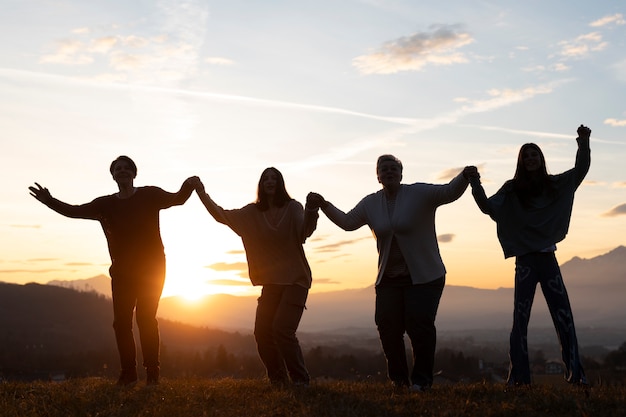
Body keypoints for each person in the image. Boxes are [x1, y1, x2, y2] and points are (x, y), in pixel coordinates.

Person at [307, 155, 475, 392]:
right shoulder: (371, 203)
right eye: (383, 169)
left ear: (401, 173)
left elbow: (449, 192)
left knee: (420, 326)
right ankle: (399, 382)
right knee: (387, 327)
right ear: (377, 176)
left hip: (425, 276)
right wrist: (324, 205)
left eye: (393, 168)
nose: (388, 172)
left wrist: (464, 176)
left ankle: (421, 382)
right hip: (388, 278)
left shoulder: (419, 194)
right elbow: (347, 222)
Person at [28, 155, 197, 386]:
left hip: (152, 269)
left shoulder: (150, 195)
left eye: (127, 168)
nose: (123, 171)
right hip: (122, 271)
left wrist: (189, 185)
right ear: (113, 175)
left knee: (146, 319)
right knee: (121, 323)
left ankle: (152, 373)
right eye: (118, 168)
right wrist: (49, 200)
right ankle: (129, 373)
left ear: (134, 173)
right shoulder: (105, 205)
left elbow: (178, 199)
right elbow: (74, 211)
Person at [467, 125, 591, 386]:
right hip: (525, 261)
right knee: (520, 320)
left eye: (535, 154)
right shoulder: (512, 190)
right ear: (521, 161)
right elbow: (488, 207)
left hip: (548, 260)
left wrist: (583, 142)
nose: (531, 158)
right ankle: (519, 378)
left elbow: (580, 171)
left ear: (541, 159)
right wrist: (475, 183)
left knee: (564, 317)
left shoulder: (554, 185)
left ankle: (576, 375)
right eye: (527, 155)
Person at [194, 167, 318, 386]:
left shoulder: (293, 207)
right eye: (266, 178)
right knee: (262, 333)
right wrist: (202, 193)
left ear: (281, 183)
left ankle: (300, 380)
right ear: (261, 184)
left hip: (295, 281)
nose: (270, 181)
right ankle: (278, 380)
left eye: (274, 178)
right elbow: (221, 215)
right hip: (271, 283)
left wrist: (311, 211)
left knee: (282, 330)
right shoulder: (251, 213)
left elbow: (303, 233)